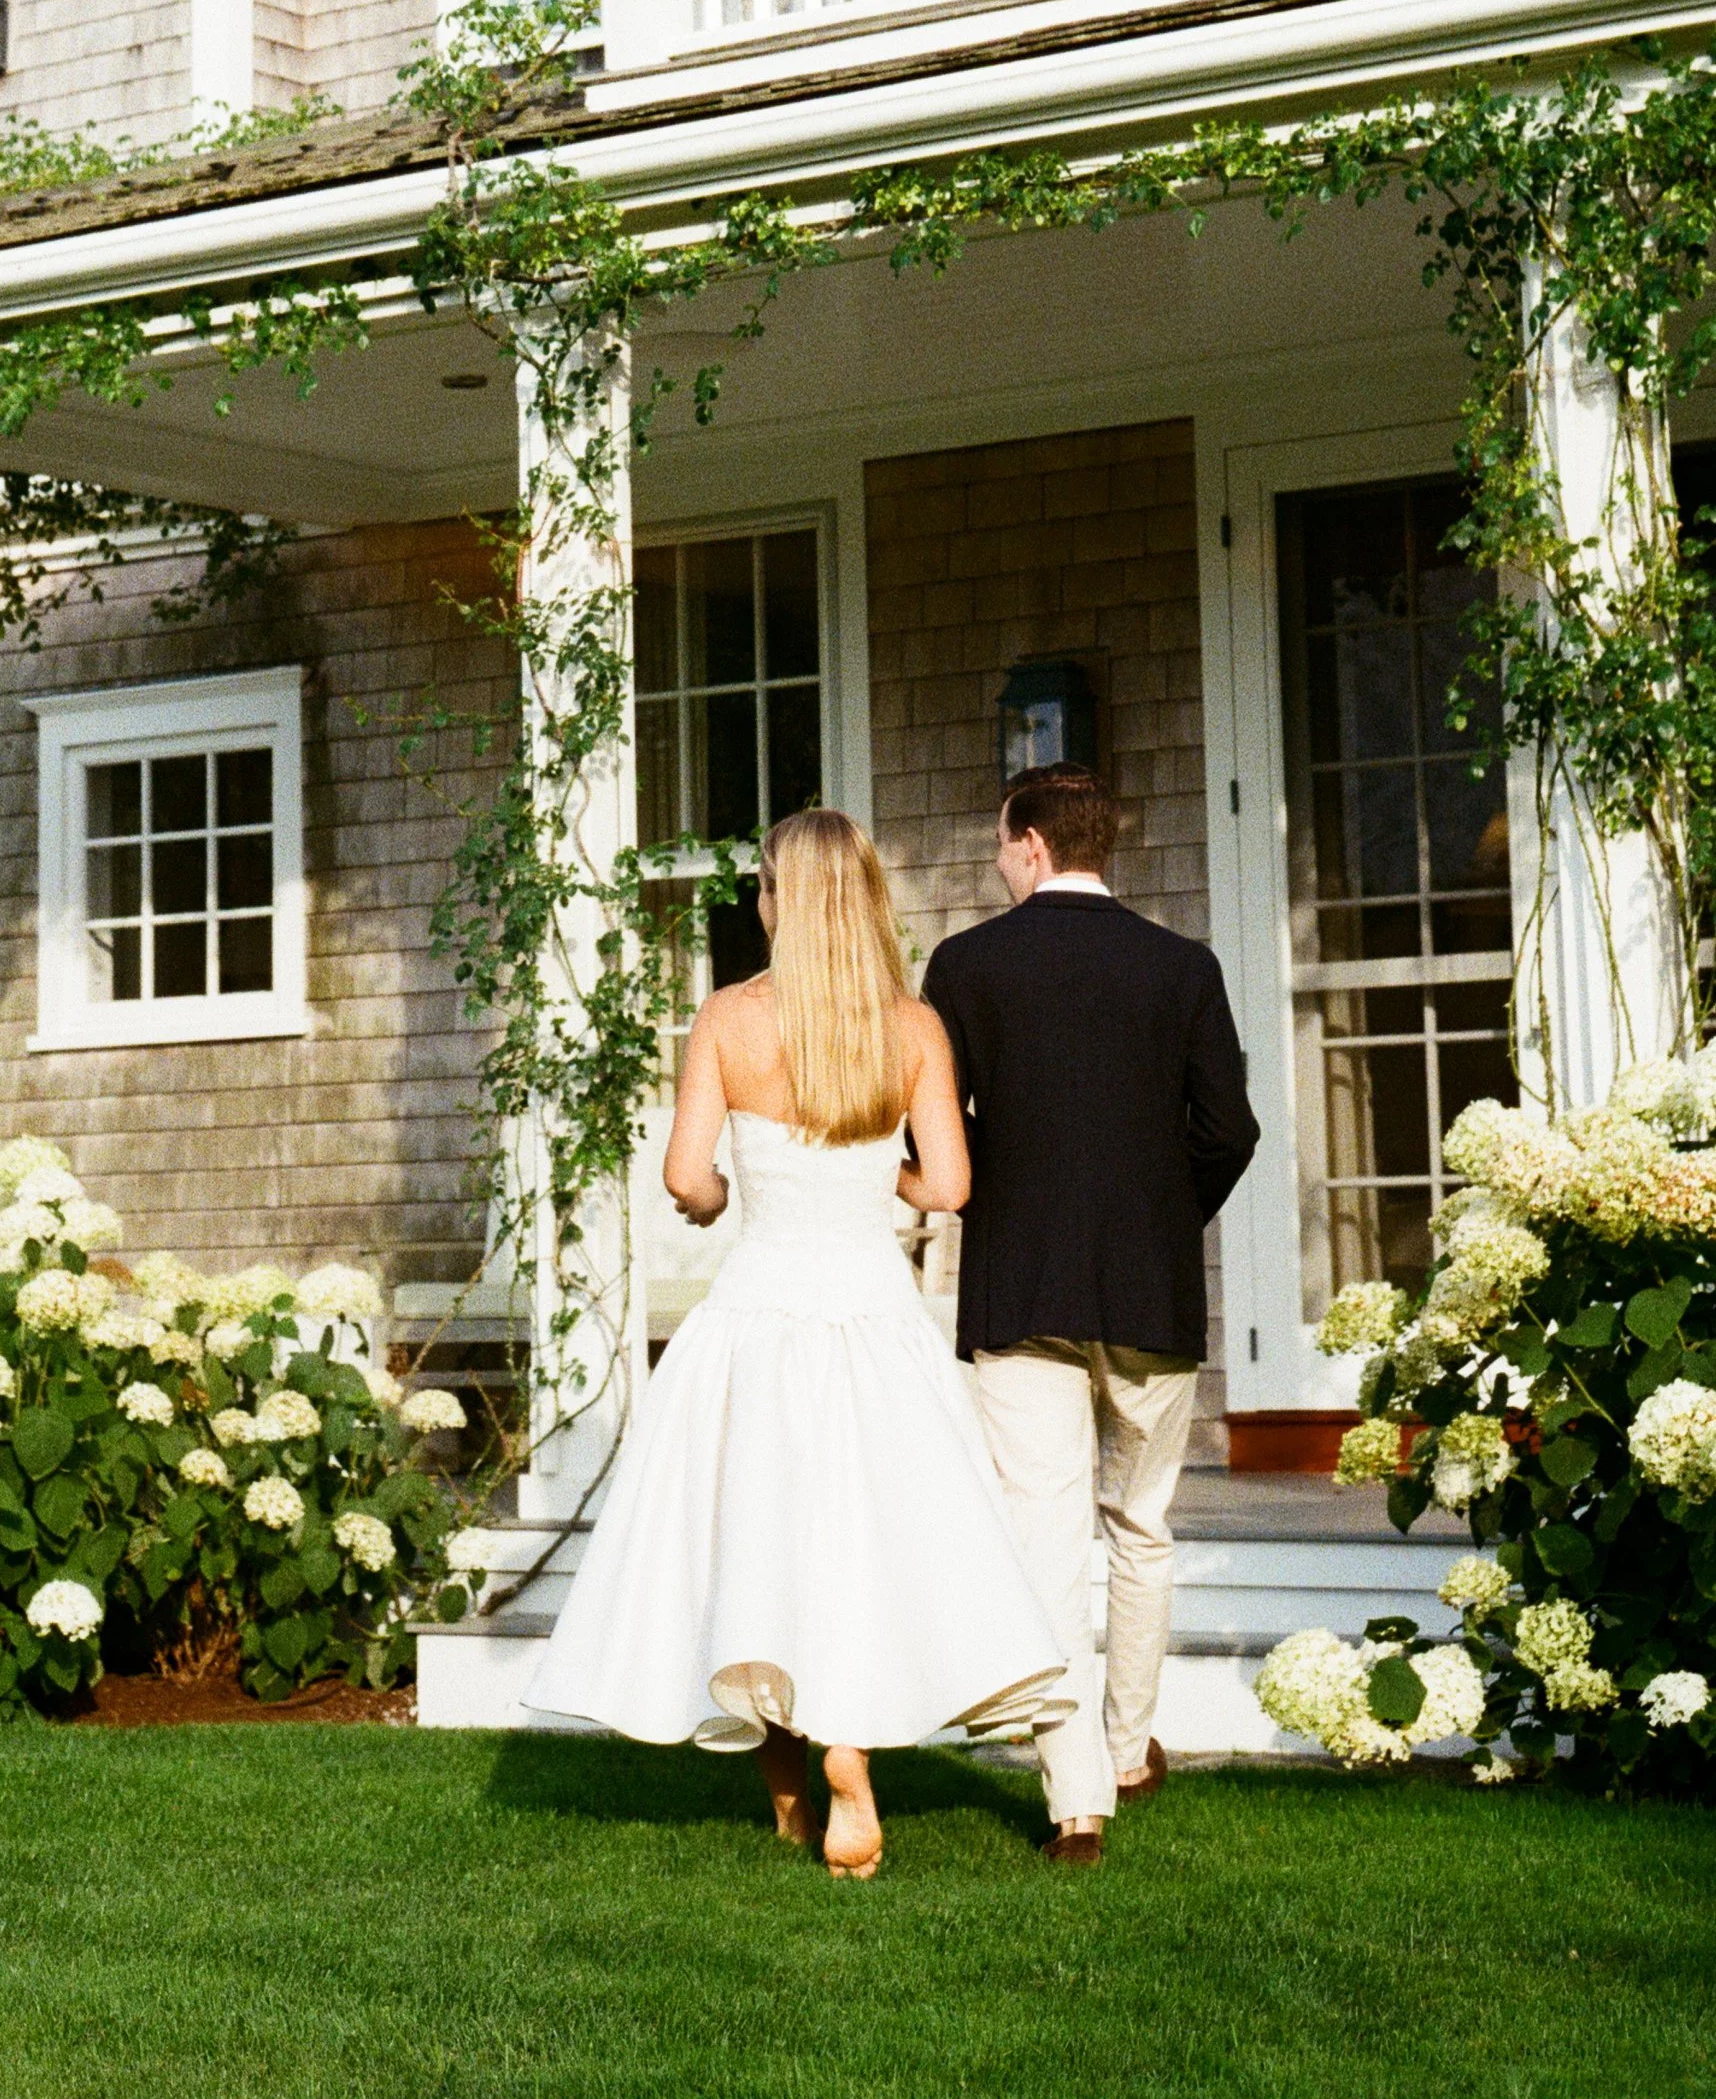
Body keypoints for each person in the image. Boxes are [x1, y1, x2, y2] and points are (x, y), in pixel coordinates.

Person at [528, 805, 1068, 1878]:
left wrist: (726, 1187)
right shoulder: (912, 1027)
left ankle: (787, 1785)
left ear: (779, 901)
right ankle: (847, 1760)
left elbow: (686, 1177)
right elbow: (951, 1185)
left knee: (757, 1542)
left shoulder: (729, 1019)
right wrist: (883, 1178)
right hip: (871, 1319)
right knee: (861, 1546)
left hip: (759, 1318)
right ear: (862, 901)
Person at [925, 763, 1259, 1869]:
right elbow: (1230, 1130)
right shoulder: (1182, 966)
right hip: (1149, 1287)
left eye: (996, 842)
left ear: (1028, 844)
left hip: (1019, 1289)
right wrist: (1164, 1219)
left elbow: (940, 1141)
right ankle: (1121, 1749)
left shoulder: (967, 965)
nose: (995, 859)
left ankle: (1077, 1804)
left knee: (1044, 1540)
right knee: (1141, 1528)